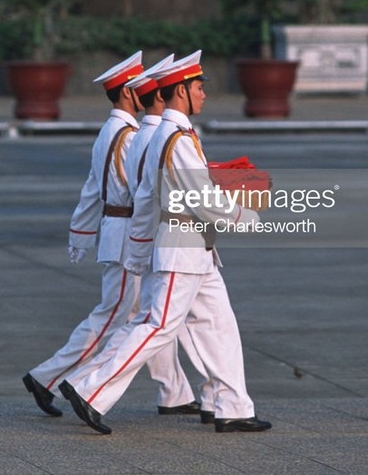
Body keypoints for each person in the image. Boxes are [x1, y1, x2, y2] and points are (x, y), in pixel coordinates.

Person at [60, 51, 270, 435]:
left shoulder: (168, 135)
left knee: (219, 325)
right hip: (183, 246)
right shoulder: (175, 139)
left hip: (195, 248)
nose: (205, 94)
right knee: (156, 327)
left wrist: (139, 251)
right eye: (198, 87)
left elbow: (144, 199)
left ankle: (232, 406)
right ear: (180, 92)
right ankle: (90, 389)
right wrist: (246, 217)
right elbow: (202, 201)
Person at [26, 52, 198, 417]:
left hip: (117, 231)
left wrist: (81, 233)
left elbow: (92, 189)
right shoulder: (128, 136)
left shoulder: (111, 132)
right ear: (125, 94)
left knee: (147, 316)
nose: (148, 95)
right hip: (126, 234)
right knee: (117, 316)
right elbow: (135, 191)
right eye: (138, 89)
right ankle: (51, 378)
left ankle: (175, 393)